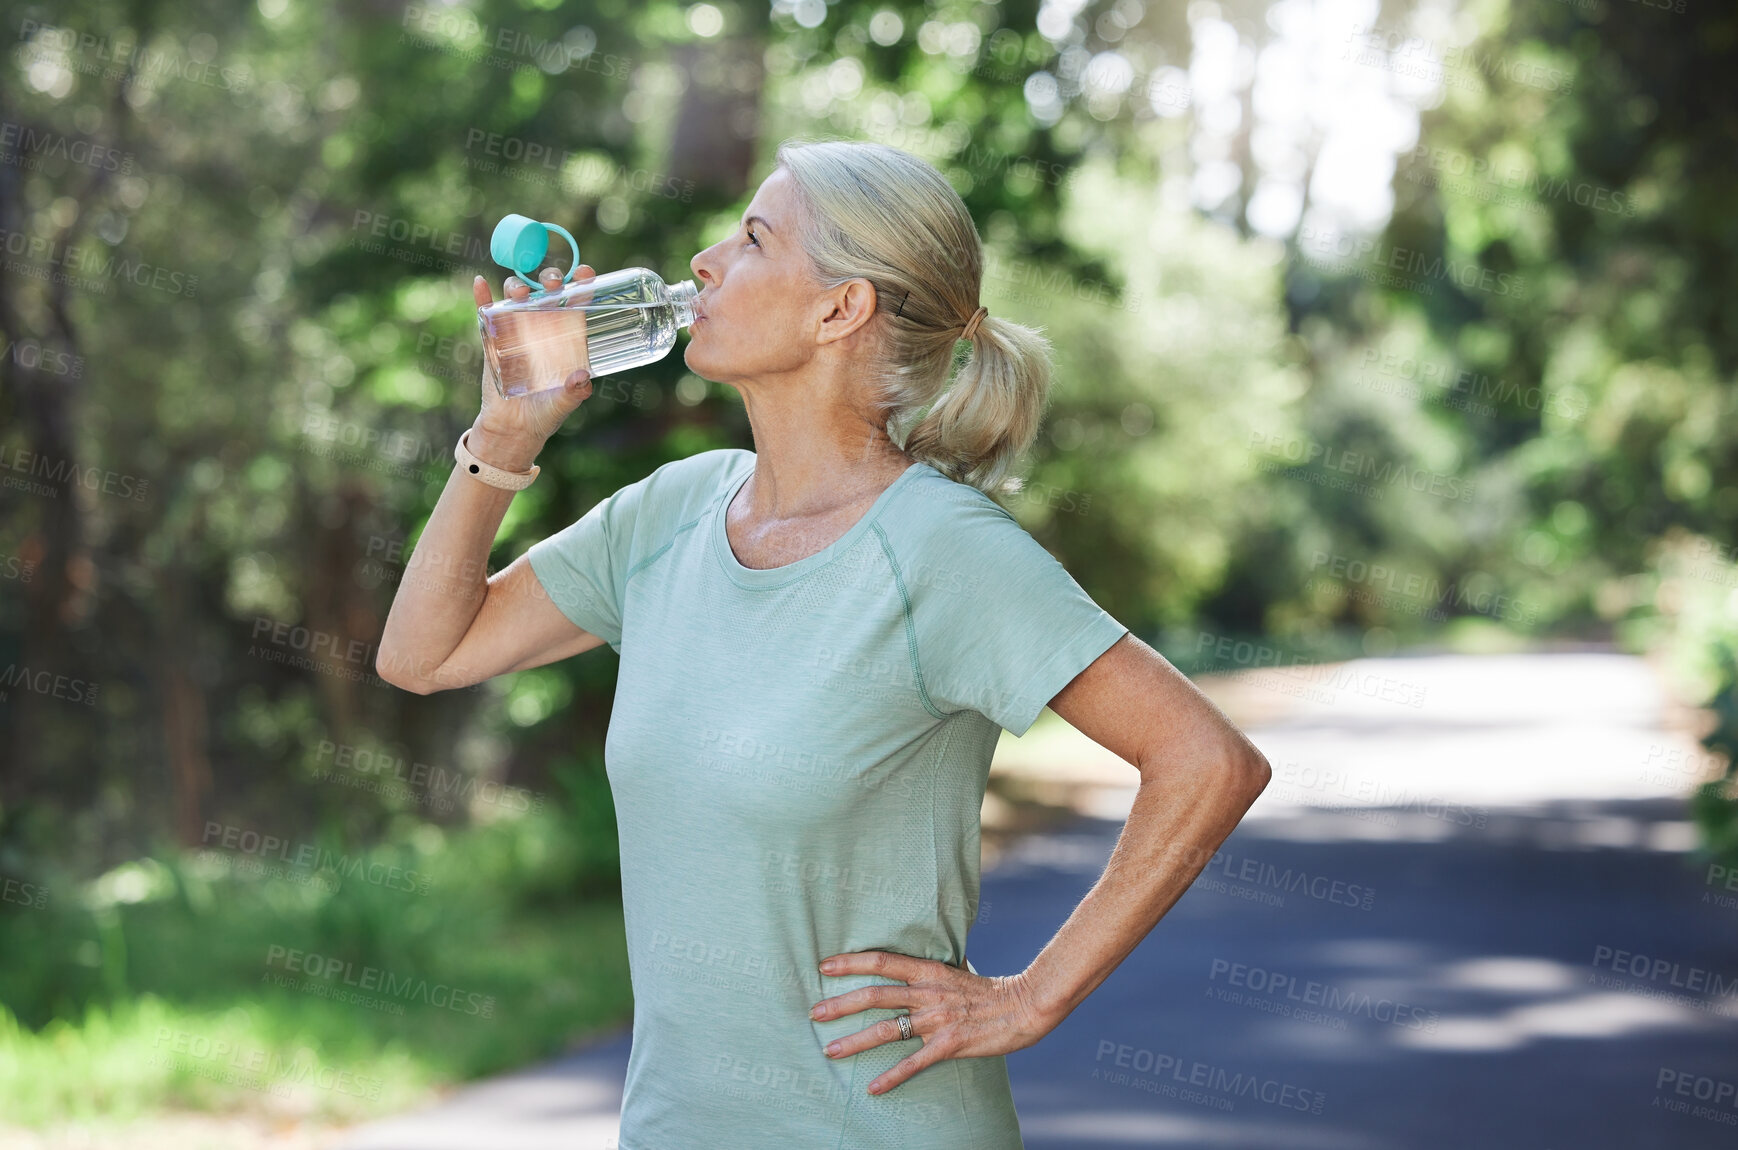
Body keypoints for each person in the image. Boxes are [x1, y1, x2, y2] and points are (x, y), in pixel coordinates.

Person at [378, 138, 1271, 1149]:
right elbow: (422, 656)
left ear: (839, 309)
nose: (704, 261)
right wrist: (502, 440)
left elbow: (1208, 760)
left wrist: (1030, 999)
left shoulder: (941, 550)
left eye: (753, 239)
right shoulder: (671, 511)